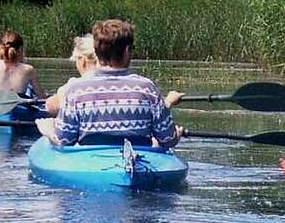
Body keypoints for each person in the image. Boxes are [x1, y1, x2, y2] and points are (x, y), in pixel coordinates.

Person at [38, 19, 183, 148]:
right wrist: (176, 133)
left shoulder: (77, 89)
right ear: (127, 51)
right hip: (140, 157)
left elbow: (64, 140)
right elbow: (167, 140)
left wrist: (48, 130)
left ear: (96, 50)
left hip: (90, 161)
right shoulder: (147, 88)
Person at [44, 34, 184, 115]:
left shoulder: (73, 87)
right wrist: (168, 102)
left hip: (85, 149)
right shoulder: (144, 85)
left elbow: (50, 107)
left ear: (83, 60)